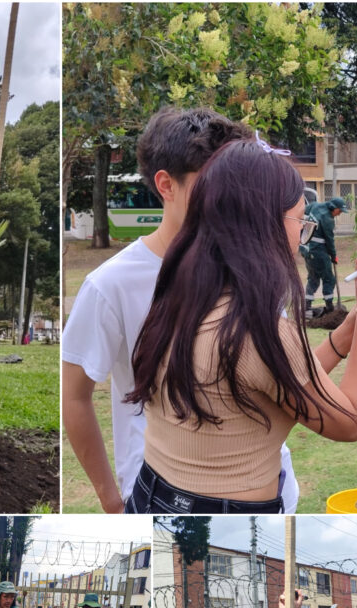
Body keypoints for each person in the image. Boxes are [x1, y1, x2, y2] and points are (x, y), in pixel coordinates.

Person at [124, 137, 357, 513]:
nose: (302, 237)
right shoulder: (255, 328)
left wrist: (346, 333)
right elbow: (349, 422)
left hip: (150, 497)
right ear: (262, 223)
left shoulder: (179, 293)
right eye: (300, 220)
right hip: (221, 515)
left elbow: (274, 379)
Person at [60, 109, 304, 515]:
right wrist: (110, 499)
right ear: (165, 185)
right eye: (214, 183)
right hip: (166, 500)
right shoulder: (110, 285)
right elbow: (74, 396)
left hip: (270, 494)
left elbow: (284, 377)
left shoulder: (253, 269)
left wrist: (352, 332)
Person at [303, 197, 349, 317]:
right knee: (329, 278)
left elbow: (303, 213)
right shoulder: (328, 218)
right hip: (318, 251)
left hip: (306, 249)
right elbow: (329, 240)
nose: (339, 214)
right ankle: (329, 307)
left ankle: (306, 308)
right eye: (339, 211)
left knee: (313, 278)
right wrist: (333, 256)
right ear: (334, 208)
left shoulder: (315, 205)